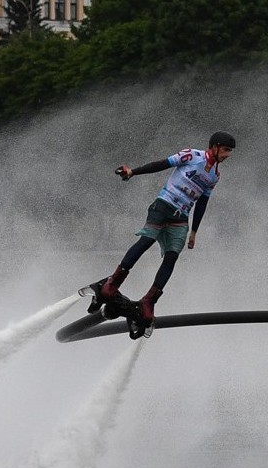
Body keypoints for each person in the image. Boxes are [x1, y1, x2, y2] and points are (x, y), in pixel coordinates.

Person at [94, 131, 236, 332]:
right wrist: (133, 171)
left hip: (180, 218)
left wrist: (194, 231)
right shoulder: (191, 156)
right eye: (226, 150)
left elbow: (203, 202)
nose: (228, 155)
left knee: (171, 258)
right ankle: (113, 283)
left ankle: (148, 301)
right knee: (146, 241)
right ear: (215, 146)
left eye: (230, 152)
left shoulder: (215, 176)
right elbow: (162, 164)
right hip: (164, 205)